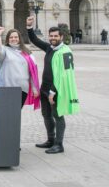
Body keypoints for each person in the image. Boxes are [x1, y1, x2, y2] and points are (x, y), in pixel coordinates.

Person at [27, 16, 79, 154]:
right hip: (45, 88)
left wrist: (53, 91)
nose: (53, 38)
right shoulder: (50, 48)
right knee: (46, 115)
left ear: (61, 36)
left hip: (55, 90)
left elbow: (64, 75)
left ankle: (59, 144)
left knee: (58, 115)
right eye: (51, 36)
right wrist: (29, 27)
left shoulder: (65, 52)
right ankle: (50, 140)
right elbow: (35, 40)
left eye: (56, 36)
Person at [0, 27, 40, 109]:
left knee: (15, 115)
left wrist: (34, 87)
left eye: (15, 37)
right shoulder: (4, 51)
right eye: (11, 37)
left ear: (19, 38)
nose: (13, 39)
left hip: (22, 90)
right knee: (5, 113)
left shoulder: (27, 53)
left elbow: (31, 72)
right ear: (7, 39)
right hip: (5, 88)